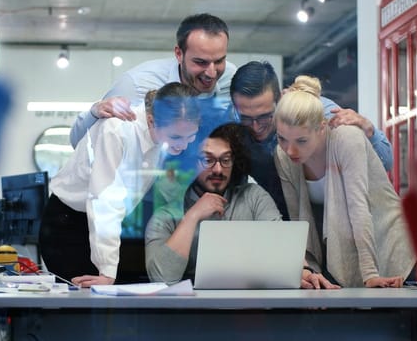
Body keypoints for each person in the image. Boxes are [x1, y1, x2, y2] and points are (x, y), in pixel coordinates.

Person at [39, 82, 201, 287]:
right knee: (85, 303)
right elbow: (104, 201)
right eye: (176, 137)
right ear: (151, 120)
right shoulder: (116, 130)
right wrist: (107, 270)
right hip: (67, 226)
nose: (183, 145)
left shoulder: (164, 131)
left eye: (190, 137)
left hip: (108, 228)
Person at [145, 123, 339, 289]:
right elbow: (163, 278)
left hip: (251, 311)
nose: (218, 169)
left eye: (225, 160)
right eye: (208, 160)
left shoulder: (252, 197)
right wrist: (193, 216)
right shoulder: (167, 214)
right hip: (194, 314)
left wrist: (303, 272)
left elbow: (280, 246)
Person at [273, 75, 416, 288]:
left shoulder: (347, 139)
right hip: (349, 256)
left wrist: (369, 274)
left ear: (321, 128)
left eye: (301, 140)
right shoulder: (283, 155)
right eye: (282, 138)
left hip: (391, 245)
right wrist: (310, 271)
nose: (290, 149)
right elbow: (300, 222)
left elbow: (359, 209)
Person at [229, 61, 394, 219]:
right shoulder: (234, 130)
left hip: (337, 221)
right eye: (246, 118)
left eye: (265, 116)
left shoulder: (315, 112)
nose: (256, 126)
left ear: (280, 99)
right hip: (284, 223)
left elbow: (385, 162)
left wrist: (368, 131)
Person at [69, 13, 236, 147]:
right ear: (179, 54)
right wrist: (94, 112)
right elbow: (79, 142)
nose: (212, 73)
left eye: (220, 61)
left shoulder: (230, 77)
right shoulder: (137, 85)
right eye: (201, 62)